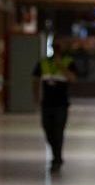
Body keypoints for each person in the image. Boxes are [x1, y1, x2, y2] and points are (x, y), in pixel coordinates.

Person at [32, 41, 78, 172]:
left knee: (58, 131)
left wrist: (60, 66)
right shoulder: (43, 63)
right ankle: (56, 154)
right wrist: (36, 98)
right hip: (46, 103)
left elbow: (73, 78)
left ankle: (57, 158)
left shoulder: (69, 62)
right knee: (48, 130)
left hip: (61, 104)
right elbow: (35, 80)